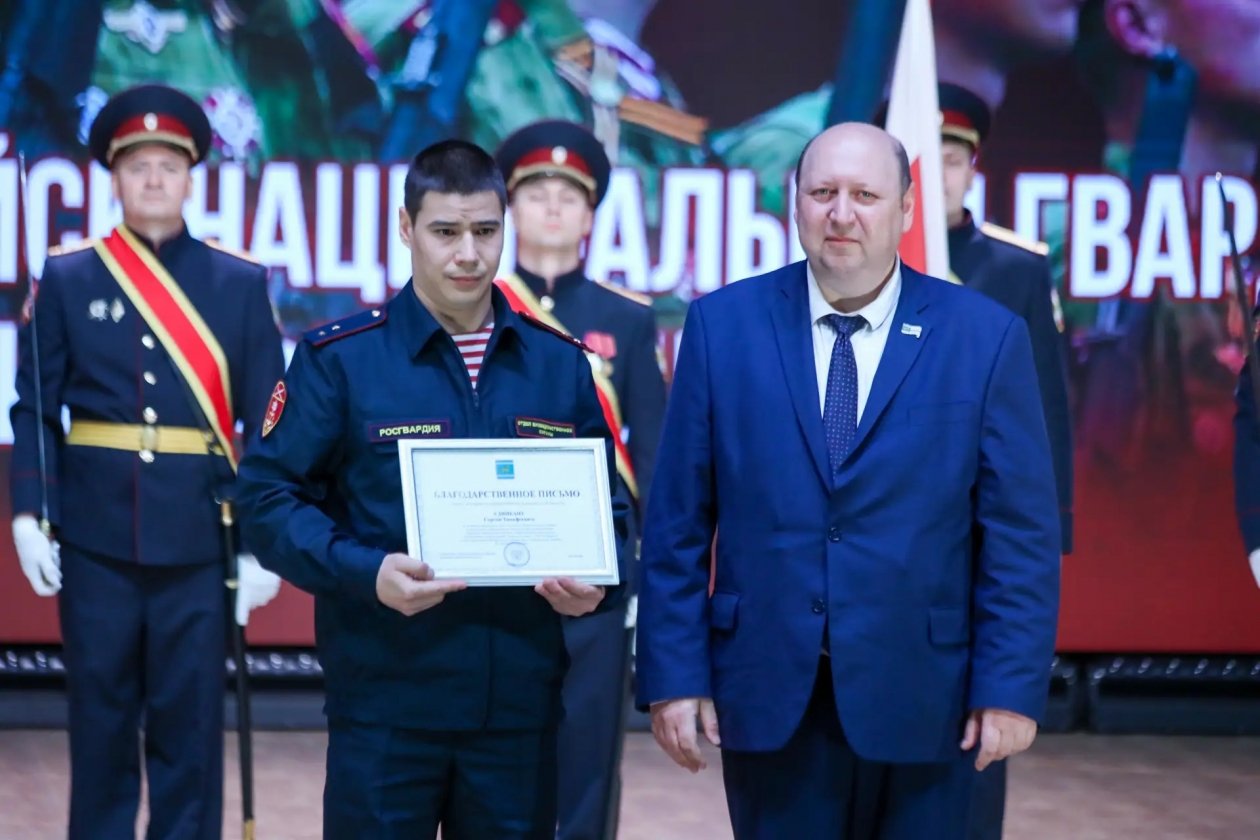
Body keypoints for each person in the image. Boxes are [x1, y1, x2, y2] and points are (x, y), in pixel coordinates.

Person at [636, 122, 1061, 839]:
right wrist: (674, 677)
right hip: (771, 695)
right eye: (823, 192)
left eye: (865, 195)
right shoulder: (722, 327)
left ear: (906, 208)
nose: (841, 214)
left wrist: (1012, 687)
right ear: (795, 202)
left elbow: (1020, 535)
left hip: (935, 700)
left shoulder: (983, 337)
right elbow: (677, 523)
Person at [236, 138, 629, 838]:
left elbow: (612, 510)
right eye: (446, 232)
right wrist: (364, 571)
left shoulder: (557, 364)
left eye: (486, 231)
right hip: (385, 707)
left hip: (517, 713)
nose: (468, 254)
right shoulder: (341, 360)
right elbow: (266, 499)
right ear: (406, 227)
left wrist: (599, 580)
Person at [9, 83, 284, 839]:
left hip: (201, 539)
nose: (154, 179)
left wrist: (260, 544)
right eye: (138, 166)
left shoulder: (238, 283)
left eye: (169, 165)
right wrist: (31, 514)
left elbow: (269, 425)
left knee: (188, 730)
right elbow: (36, 408)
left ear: (192, 176)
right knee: (99, 723)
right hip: (94, 539)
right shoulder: (70, 278)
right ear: (114, 177)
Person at [495, 119, 667, 840]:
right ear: (510, 207)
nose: (553, 207)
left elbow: (653, 454)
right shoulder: (478, 307)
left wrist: (645, 575)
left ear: (591, 215)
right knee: (495, 754)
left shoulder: (626, 320)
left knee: (589, 752)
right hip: (494, 560)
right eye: (536, 193)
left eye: (569, 196)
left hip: (594, 570)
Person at [938, 80, 1074, 840]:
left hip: (980, 526)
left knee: (969, 761)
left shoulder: (1013, 268)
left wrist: (1049, 528)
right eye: (920, 157)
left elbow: (1043, 408)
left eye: (951, 156)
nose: (937, 172)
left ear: (973, 168)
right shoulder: (850, 269)